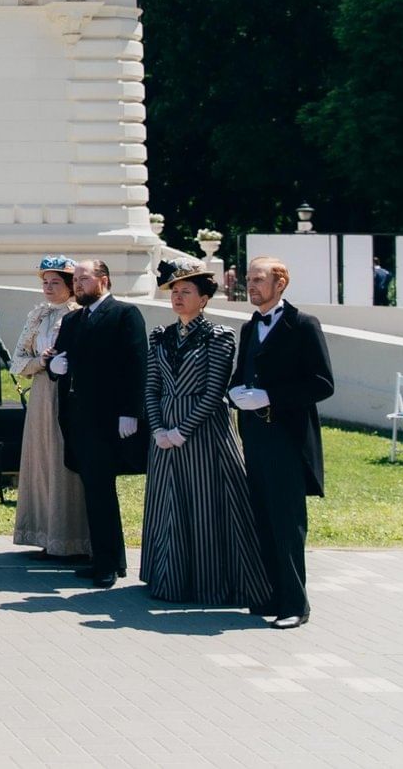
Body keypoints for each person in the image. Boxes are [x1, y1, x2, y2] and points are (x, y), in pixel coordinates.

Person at [139, 259, 268, 609]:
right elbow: (151, 387)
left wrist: (182, 430)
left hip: (205, 432)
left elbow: (215, 392)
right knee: (169, 503)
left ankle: (211, 584)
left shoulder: (218, 336)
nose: (178, 298)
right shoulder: (159, 336)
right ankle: (170, 578)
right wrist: (158, 428)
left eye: (186, 292)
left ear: (204, 298)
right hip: (165, 429)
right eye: (174, 292)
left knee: (206, 503)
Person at [229, 255, 335, 629]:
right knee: (263, 518)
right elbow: (242, 372)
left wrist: (271, 395)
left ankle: (295, 604)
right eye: (249, 279)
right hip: (256, 438)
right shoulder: (249, 327)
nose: (252, 286)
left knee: (287, 524)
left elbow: (322, 384)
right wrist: (236, 393)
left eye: (259, 279)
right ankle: (272, 594)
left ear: (280, 283)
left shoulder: (303, 325)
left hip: (289, 440)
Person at [47, 257, 146, 586]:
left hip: (109, 418)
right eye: (75, 279)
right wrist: (54, 368)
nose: (77, 284)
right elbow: (59, 358)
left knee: (102, 491)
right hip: (79, 418)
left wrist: (131, 411)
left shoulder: (123, 314)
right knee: (94, 490)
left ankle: (108, 563)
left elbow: (136, 365)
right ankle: (107, 558)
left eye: (83, 279)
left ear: (104, 280)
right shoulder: (74, 320)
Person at [9, 257, 90, 560]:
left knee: (63, 460)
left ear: (70, 285)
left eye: (55, 282)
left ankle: (71, 538)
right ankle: (46, 534)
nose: (48, 287)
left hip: (68, 393)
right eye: (45, 282)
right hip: (42, 392)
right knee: (42, 460)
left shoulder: (80, 314)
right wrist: (41, 362)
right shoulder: (39, 315)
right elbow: (17, 360)